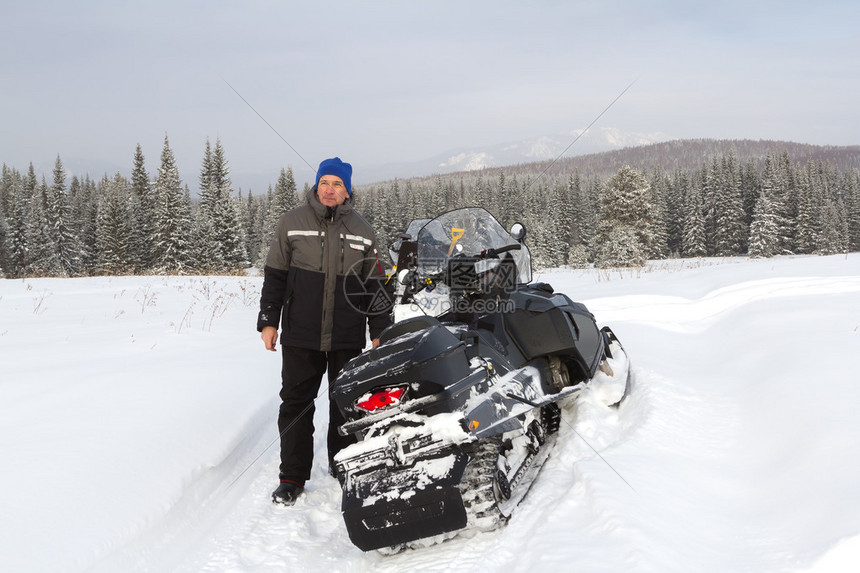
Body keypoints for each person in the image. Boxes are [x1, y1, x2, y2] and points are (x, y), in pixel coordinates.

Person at [257, 157, 391, 506]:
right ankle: (291, 477)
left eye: (338, 185)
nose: (330, 190)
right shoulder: (292, 222)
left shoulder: (363, 231)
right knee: (296, 403)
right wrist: (269, 321)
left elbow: (375, 285)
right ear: (317, 185)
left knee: (346, 402)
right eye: (325, 183)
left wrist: (380, 330)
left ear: (348, 192)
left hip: (347, 333)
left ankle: (343, 463)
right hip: (301, 333)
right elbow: (275, 276)